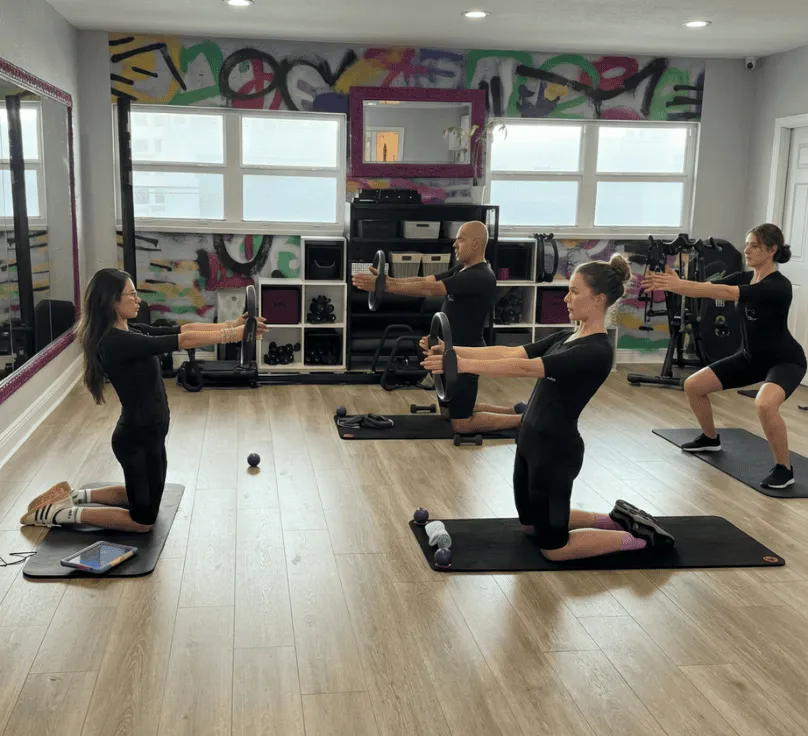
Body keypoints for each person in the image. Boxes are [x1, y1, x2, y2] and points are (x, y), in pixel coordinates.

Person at [422, 254, 674, 561]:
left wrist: (458, 364)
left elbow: (525, 369)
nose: (566, 298)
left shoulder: (596, 351)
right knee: (530, 526)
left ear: (598, 300)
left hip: (556, 451)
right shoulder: (569, 336)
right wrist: (451, 350)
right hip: (529, 441)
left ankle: (641, 539)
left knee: (554, 550)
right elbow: (510, 351)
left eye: (574, 292)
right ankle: (614, 518)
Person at [21, 268, 267, 532]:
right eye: (132, 294)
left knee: (146, 497)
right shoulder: (115, 342)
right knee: (142, 523)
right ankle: (58, 513)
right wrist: (236, 335)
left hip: (152, 433)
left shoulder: (131, 330)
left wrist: (232, 325)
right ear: (112, 301)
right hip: (136, 439)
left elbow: (185, 328)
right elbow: (184, 339)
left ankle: (77, 495)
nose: (138, 300)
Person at [642, 224, 806, 490]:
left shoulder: (778, 286)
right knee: (693, 386)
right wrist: (676, 285)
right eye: (747, 243)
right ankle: (710, 438)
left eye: (754, 245)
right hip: (751, 358)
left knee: (765, 405)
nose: (747, 249)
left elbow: (726, 293)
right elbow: (709, 287)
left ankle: (784, 469)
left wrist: (678, 284)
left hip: (785, 361)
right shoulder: (746, 276)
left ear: (772, 249)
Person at [352, 220, 523, 435]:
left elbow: (430, 289)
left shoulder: (480, 276)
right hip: (446, 350)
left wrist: (384, 286)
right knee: (447, 413)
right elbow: (425, 279)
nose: (454, 244)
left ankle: (523, 420)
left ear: (476, 244)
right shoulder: (462, 268)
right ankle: (513, 410)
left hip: (465, 354)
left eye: (460, 239)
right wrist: (388, 280)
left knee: (462, 424)